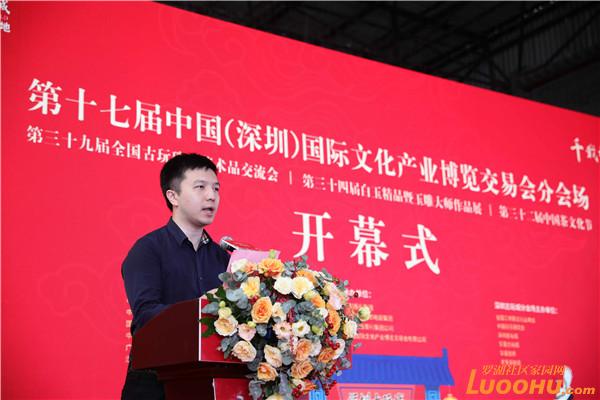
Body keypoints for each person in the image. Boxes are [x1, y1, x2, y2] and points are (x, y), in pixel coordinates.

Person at [121, 153, 230, 400]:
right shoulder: (148, 249)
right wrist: (201, 308)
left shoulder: (223, 258)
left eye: (216, 188)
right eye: (200, 187)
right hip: (156, 382)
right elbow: (146, 315)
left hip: (207, 382)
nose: (211, 196)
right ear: (173, 196)